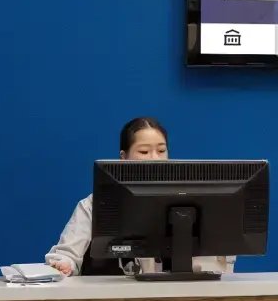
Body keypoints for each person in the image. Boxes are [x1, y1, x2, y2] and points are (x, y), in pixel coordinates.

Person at [44, 117, 235, 276]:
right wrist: (63, 264)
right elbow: (66, 253)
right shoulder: (95, 204)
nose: (155, 158)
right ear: (123, 157)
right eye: (144, 151)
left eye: (161, 150)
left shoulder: (192, 201)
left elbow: (218, 263)